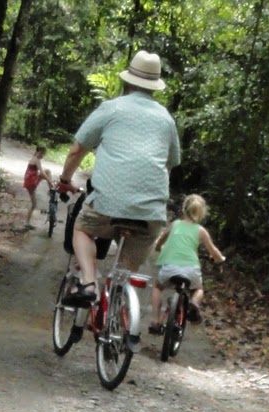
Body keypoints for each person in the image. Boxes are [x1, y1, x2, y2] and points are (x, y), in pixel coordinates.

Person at [58, 50, 181, 316]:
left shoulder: (111, 108)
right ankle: (117, 304)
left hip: (107, 203)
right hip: (151, 212)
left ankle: (88, 283)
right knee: (124, 272)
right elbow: (170, 163)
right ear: (155, 86)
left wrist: (65, 180)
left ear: (127, 81)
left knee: (82, 229)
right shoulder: (166, 119)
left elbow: (77, 149)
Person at [148, 194, 226, 333]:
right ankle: (194, 303)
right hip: (191, 270)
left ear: (184, 209)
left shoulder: (175, 224)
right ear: (202, 212)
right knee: (198, 289)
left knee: (158, 287)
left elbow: (160, 241)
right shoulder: (201, 230)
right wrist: (220, 258)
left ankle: (155, 320)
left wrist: (159, 247)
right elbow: (213, 251)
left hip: (169, 268)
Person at [22, 146, 46, 228]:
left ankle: (27, 222)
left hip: (30, 182)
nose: (43, 156)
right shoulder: (36, 160)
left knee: (33, 204)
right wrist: (49, 181)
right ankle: (27, 223)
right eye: (43, 154)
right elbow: (42, 173)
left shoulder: (33, 159)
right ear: (39, 152)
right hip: (31, 183)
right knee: (34, 204)